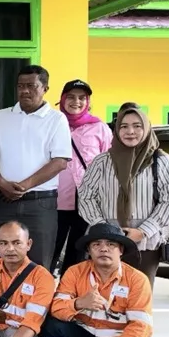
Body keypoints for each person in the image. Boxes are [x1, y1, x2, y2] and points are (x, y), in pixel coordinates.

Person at [44, 222, 153, 337]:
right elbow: (56, 307)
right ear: (89, 250)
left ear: (121, 250)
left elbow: (141, 327)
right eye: (96, 244)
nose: (103, 249)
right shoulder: (75, 272)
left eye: (111, 244)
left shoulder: (137, 280)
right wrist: (79, 303)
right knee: (50, 327)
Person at [77, 106, 169, 284]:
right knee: (104, 292)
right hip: (106, 243)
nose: (130, 131)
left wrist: (143, 231)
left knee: (139, 293)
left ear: (146, 128)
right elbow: (86, 196)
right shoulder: (102, 162)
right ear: (117, 130)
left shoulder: (162, 161)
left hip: (146, 243)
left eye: (137, 126)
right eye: (124, 126)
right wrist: (104, 229)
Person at [0, 65, 72, 268]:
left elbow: (60, 161)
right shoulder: (1, 117)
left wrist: (24, 186)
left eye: (31, 86)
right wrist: (1, 183)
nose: (24, 91)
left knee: (38, 263)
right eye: (20, 86)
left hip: (40, 202)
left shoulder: (57, 119)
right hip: (4, 199)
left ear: (45, 88)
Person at [53, 79, 112, 274]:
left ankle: (69, 289)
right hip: (55, 199)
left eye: (81, 98)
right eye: (70, 97)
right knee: (51, 248)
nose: (76, 102)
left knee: (78, 251)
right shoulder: (52, 123)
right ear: (62, 99)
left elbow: (108, 164)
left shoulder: (100, 128)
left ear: (88, 101)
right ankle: (43, 289)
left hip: (88, 200)